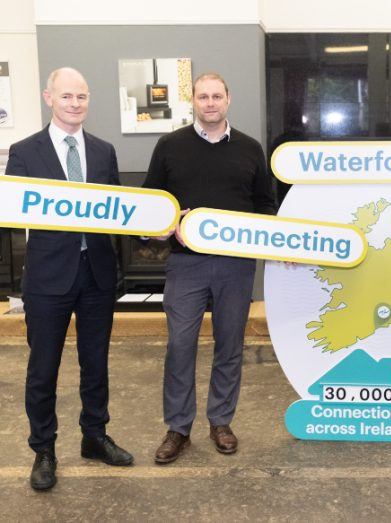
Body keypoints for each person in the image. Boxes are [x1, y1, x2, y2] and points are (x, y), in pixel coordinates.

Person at [6, 68, 134, 491]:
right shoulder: (24, 152)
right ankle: (44, 450)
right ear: (49, 97)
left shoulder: (103, 151)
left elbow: (119, 212)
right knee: (43, 370)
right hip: (46, 279)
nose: (75, 103)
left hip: (96, 274)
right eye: (66, 96)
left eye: (81, 96)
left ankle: (94, 437)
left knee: (95, 365)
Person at [143, 73, 277, 463]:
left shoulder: (251, 149)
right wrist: (162, 226)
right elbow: (152, 203)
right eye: (203, 96)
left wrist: (274, 238)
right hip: (186, 265)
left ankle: (220, 421)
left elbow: (264, 206)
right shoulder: (169, 146)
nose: (211, 103)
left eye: (217, 95)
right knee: (180, 347)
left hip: (236, 267)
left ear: (228, 99)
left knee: (230, 346)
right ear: (194, 101)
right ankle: (178, 428)